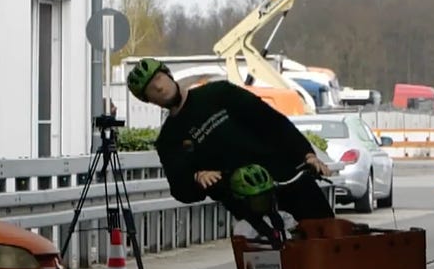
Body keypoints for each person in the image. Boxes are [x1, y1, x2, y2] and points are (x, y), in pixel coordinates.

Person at [126, 57, 335, 235]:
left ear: (167, 74)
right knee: (274, 265)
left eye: (158, 78)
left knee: (329, 236)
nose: (159, 87)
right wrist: (198, 179)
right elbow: (182, 190)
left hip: (288, 178)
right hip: (249, 204)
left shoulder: (220, 93)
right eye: (151, 89)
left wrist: (307, 154)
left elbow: (272, 121)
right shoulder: (169, 140)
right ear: (148, 100)